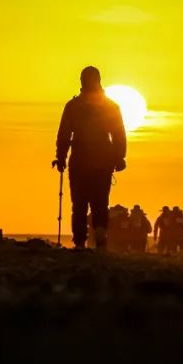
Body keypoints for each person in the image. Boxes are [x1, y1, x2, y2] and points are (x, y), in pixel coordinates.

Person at [54, 66, 127, 251]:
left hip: (87, 161)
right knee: (96, 202)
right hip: (95, 161)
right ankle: (92, 240)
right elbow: (118, 135)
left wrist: (61, 156)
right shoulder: (109, 106)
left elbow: (64, 134)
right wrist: (119, 157)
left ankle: (83, 242)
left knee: (84, 203)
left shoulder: (75, 106)